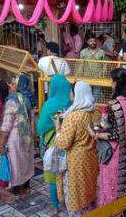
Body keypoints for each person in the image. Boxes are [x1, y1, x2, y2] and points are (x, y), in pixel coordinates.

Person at [94, 68, 126, 206]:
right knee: (124, 187)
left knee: (111, 186)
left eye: (111, 80)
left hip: (115, 153)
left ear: (115, 83)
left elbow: (114, 135)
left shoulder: (114, 105)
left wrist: (97, 134)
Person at [55, 81, 100, 216]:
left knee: (75, 193)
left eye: (71, 91)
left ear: (77, 94)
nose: (70, 94)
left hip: (76, 161)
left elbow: (63, 143)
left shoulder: (73, 116)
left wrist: (58, 127)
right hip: (91, 157)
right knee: (88, 189)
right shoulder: (95, 112)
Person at [37, 75, 71, 214]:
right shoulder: (71, 103)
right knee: (65, 173)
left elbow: (41, 126)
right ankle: (67, 201)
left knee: (52, 173)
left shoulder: (50, 104)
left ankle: (55, 206)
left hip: (52, 142)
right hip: (67, 141)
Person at [0, 75, 35, 197]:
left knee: (16, 163)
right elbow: (32, 119)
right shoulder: (28, 99)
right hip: (27, 135)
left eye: (13, 84)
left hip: (15, 138)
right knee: (26, 161)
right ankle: (25, 186)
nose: (10, 86)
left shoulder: (12, 101)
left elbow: (6, 125)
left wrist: (2, 142)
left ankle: (18, 190)